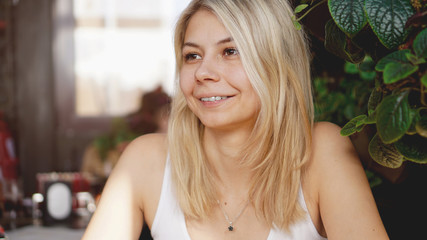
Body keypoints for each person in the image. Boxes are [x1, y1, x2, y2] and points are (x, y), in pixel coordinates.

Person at [82, 0, 389, 239]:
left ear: (276, 64)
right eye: (192, 55)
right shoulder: (145, 160)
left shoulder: (322, 151)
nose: (203, 72)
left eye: (230, 51)